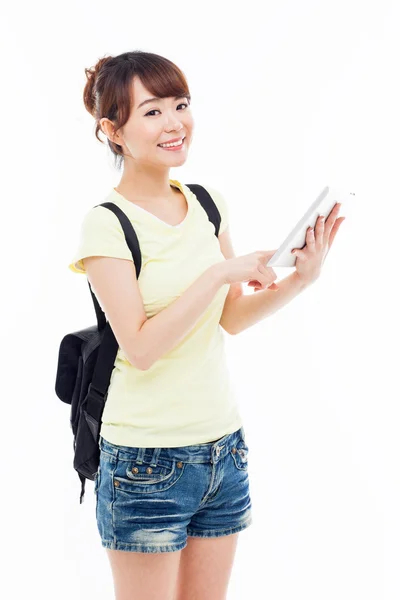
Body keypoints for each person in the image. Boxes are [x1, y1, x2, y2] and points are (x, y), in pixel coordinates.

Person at [68, 50, 344, 600]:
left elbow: (233, 319)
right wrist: (218, 273)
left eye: (181, 105)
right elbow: (141, 348)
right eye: (152, 112)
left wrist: (300, 280)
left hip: (222, 451)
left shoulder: (206, 204)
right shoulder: (107, 224)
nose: (174, 123)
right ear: (112, 130)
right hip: (145, 464)